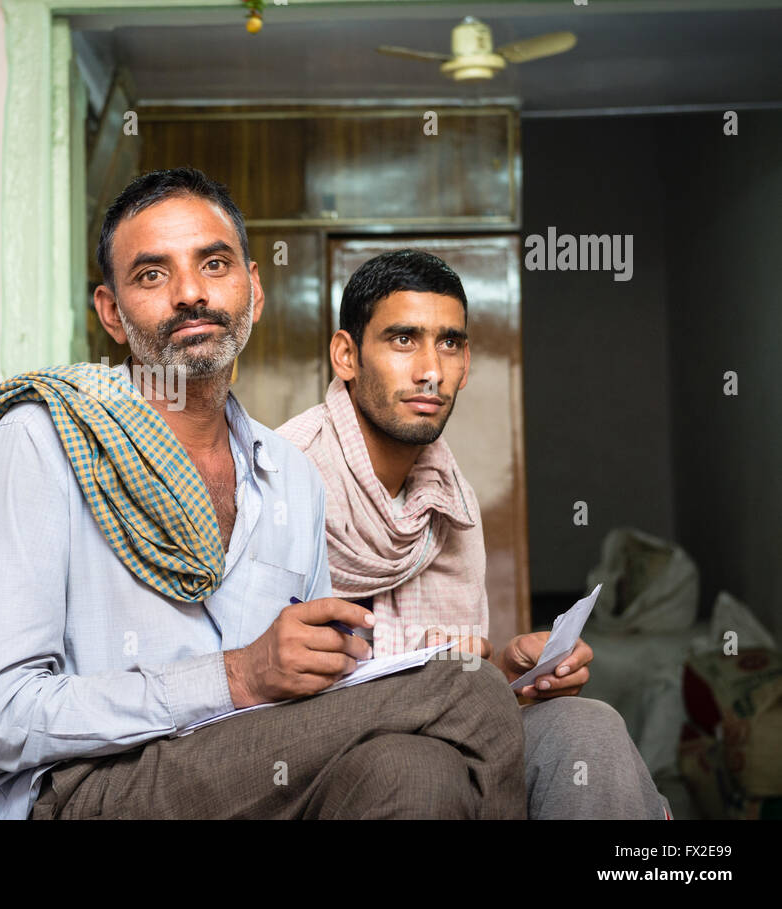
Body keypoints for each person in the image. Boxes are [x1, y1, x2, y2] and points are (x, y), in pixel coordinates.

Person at [0, 168, 527, 819]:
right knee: (468, 691)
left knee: (415, 768)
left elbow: (320, 683)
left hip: (258, 776)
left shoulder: (289, 473)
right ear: (112, 313)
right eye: (152, 274)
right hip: (87, 786)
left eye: (213, 263)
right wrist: (236, 676)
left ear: (253, 290)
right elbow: (5, 717)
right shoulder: (43, 439)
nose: (190, 294)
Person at [276, 249, 669, 819]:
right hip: (331, 757)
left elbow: (454, 688)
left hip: (448, 732)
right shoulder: (284, 479)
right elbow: (259, 698)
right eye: (403, 340)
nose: (431, 369)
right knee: (415, 769)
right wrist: (446, 681)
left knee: (590, 729)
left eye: (450, 343)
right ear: (347, 355)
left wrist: (506, 674)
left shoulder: (448, 492)